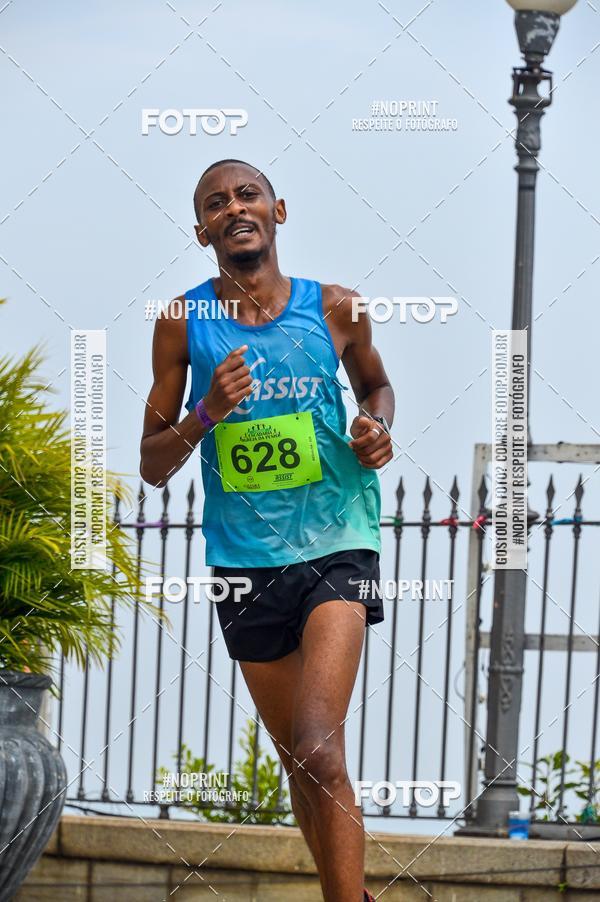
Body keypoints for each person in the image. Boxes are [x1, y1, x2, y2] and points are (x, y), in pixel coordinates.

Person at [140, 159, 394, 902]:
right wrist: (206, 412)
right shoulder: (183, 325)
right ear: (202, 231)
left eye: (247, 195)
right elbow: (153, 464)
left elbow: (376, 383)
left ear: (278, 211)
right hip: (245, 565)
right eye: (216, 204)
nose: (235, 208)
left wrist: (376, 424)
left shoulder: (337, 307)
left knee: (320, 745)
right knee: (300, 761)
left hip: (336, 544)